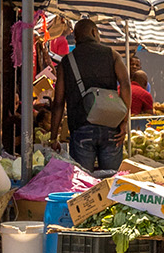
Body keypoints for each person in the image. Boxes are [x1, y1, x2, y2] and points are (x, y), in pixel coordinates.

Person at [51, 19, 132, 172]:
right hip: (111, 127)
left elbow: (59, 101)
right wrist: (124, 121)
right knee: (112, 182)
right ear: (94, 32)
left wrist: (54, 137)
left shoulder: (66, 62)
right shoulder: (112, 55)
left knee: (83, 184)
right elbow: (126, 85)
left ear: (75, 38)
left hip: (81, 128)